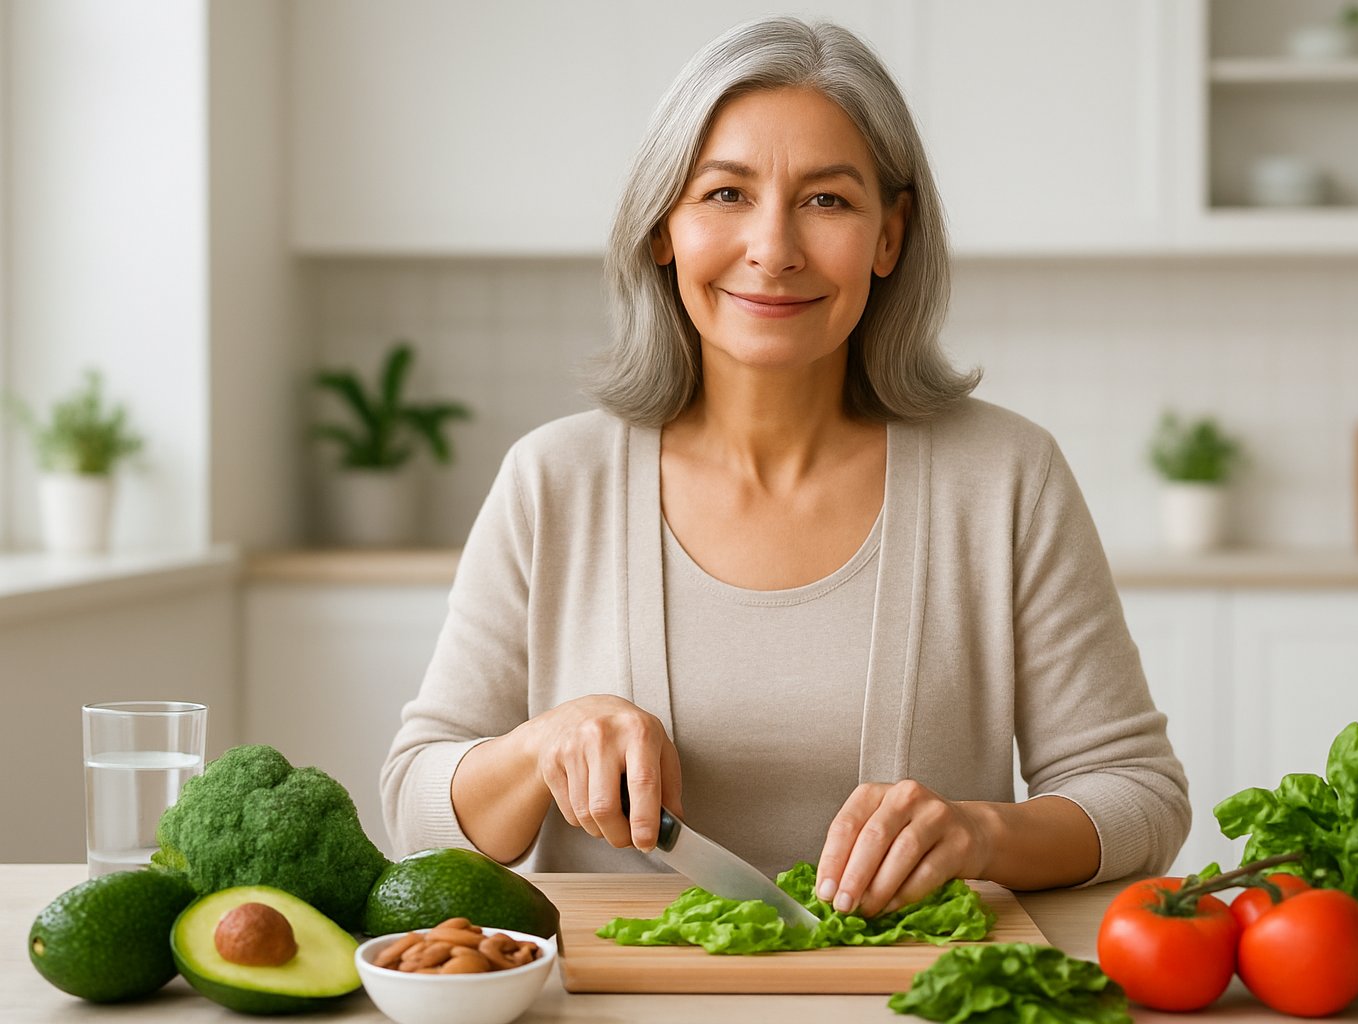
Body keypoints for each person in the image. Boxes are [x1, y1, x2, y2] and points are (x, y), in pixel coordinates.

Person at [382, 15, 1189, 918]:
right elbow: (417, 810)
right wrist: (542, 746)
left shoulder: (1006, 477)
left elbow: (1140, 796)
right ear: (663, 230)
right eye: (726, 195)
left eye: (828, 201)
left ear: (890, 236)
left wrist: (982, 834)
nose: (774, 249)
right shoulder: (552, 481)